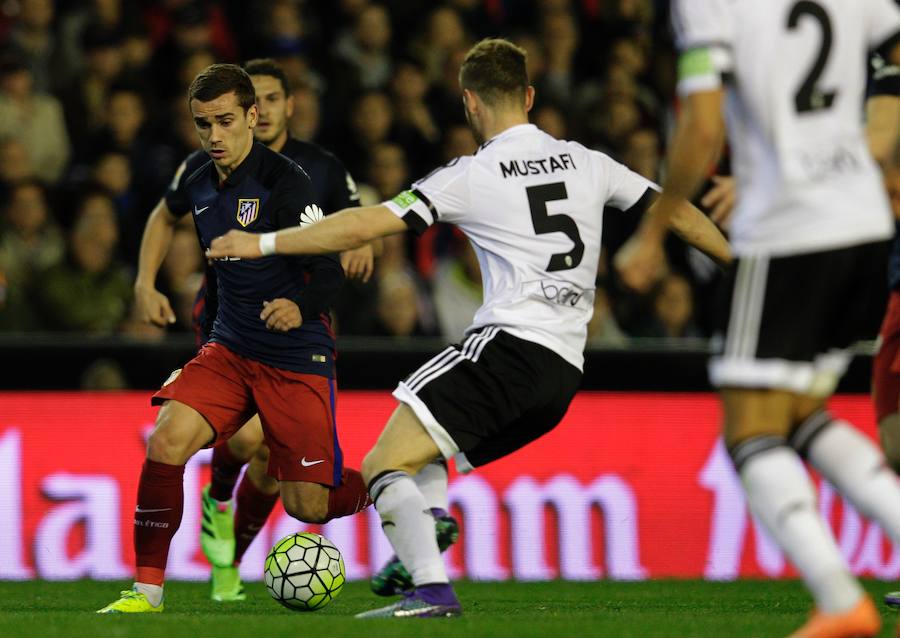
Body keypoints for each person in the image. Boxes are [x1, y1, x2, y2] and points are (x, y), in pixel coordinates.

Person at [207, 38, 731, 618]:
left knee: (382, 463)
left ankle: (431, 589)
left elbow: (365, 225)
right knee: (426, 451)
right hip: (564, 373)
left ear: (470, 104)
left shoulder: (472, 174)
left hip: (508, 346)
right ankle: (425, 532)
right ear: (528, 96)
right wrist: (739, 263)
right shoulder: (591, 162)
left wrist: (264, 242)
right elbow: (677, 212)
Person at [618, 2, 900, 636]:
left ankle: (838, 600)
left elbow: (701, 127)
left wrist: (655, 230)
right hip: (863, 224)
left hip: (788, 228)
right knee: (800, 417)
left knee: (748, 431)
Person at [97, 64, 371, 614]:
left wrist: (299, 305)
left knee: (308, 506)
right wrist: (150, 289)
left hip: (295, 355)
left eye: (225, 122)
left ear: (252, 117)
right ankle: (147, 591)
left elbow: (330, 273)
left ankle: (389, 482)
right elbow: (190, 245)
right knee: (166, 440)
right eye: (203, 125)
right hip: (230, 347)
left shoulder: (289, 182)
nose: (214, 136)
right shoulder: (198, 177)